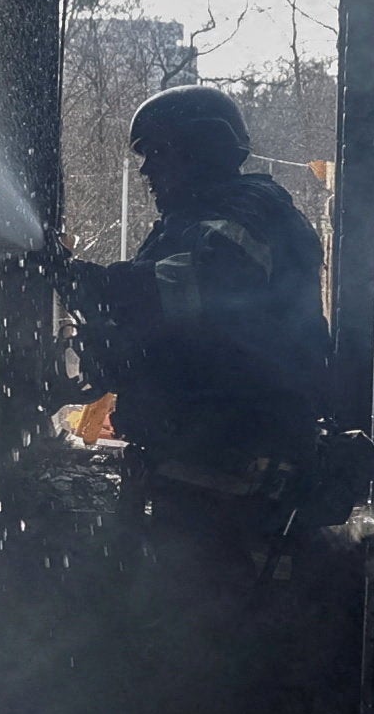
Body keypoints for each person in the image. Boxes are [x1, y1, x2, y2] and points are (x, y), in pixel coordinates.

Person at [64, 83, 333, 498]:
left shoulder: (252, 214)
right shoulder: (197, 219)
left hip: (233, 474)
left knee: (211, 565)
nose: (146, 170)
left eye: (158, 153)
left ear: (200, 151)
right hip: (197, 463)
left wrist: (87, 282)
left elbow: (193, 287)